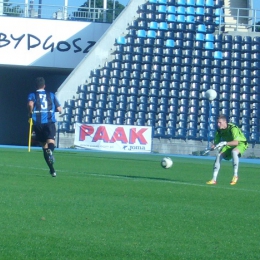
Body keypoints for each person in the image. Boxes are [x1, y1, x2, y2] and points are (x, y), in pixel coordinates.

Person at [27, 77, 62, 177]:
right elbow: (59, 109)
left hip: (38, 123)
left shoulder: (32, 95)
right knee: (51, 142)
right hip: (49, 122)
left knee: (44, 146)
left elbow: (30, 104)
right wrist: (55, 110)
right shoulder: (51, 95)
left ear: (35, 86)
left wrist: (30, 113)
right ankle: (51, 151)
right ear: (44, 86)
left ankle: (52, 170)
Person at [206, 114, 248, 185]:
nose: (218, 125)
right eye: (217, 123)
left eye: (220, 123)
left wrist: (224, 143)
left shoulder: (233, 128)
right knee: (219, 155)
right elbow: (215, 143)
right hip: (228, 145)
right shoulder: (218, 131)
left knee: (234, 152)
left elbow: (236, 142)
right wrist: (213, 147)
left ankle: (235, 176)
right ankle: (214, 179)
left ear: (225, 122)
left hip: (240, 143)